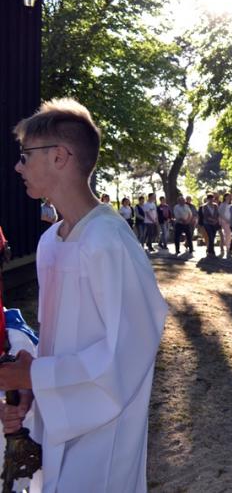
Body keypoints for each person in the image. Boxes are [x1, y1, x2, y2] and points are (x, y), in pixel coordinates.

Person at [1, 97, 167, 492]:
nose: (18, 167)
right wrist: (31, 383)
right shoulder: (50, 242)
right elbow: (60, 337)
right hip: (59, 418)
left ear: (59, 157)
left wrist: (36, 375)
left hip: (103, 432)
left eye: (26, 156)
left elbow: (128, 353)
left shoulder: (109, 241)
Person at [219, 193, 232, 259]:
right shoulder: (222, 204)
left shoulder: (231, 204)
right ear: (224, 197)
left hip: (231, 221)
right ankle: (227, 248)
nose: (228, 197)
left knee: (229, 235)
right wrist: (226, 219)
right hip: (224, 221)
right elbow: (220, 213)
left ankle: (228, 248)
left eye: (229, 196)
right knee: (227, 235)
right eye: (227, 196)